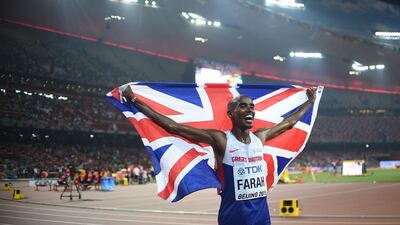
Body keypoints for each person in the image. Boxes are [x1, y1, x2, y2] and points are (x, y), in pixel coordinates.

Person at [123, 86, 316, 225]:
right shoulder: (221, 140)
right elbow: (173, 127)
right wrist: (136, 101)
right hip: (233, 218)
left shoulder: (261, 137)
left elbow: (289, 122)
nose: (250, 109)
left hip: (261, 217)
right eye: (243, 106)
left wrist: (310, 102)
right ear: (230, 113)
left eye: (251, 106)